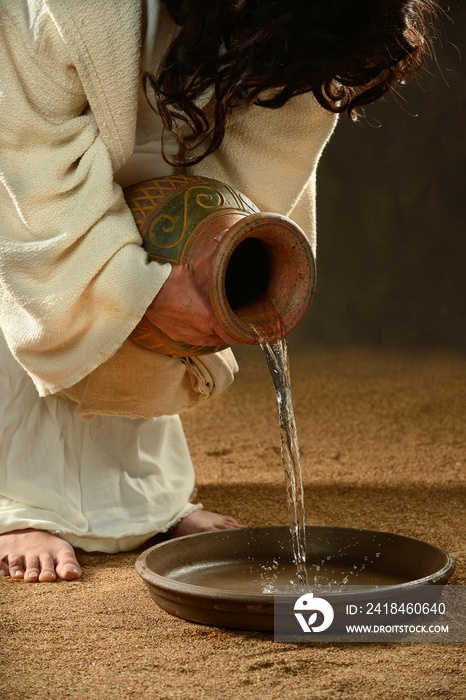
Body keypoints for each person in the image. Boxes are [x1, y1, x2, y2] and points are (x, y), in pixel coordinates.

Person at [0, 0, 438, 582]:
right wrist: (132, 289)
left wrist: (202, 271)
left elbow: (266, 154)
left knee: (161, 269)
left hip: (163, 134)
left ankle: (145, 496)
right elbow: (25, 158)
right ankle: (17, 500)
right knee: (54, 266)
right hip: (19, 129)